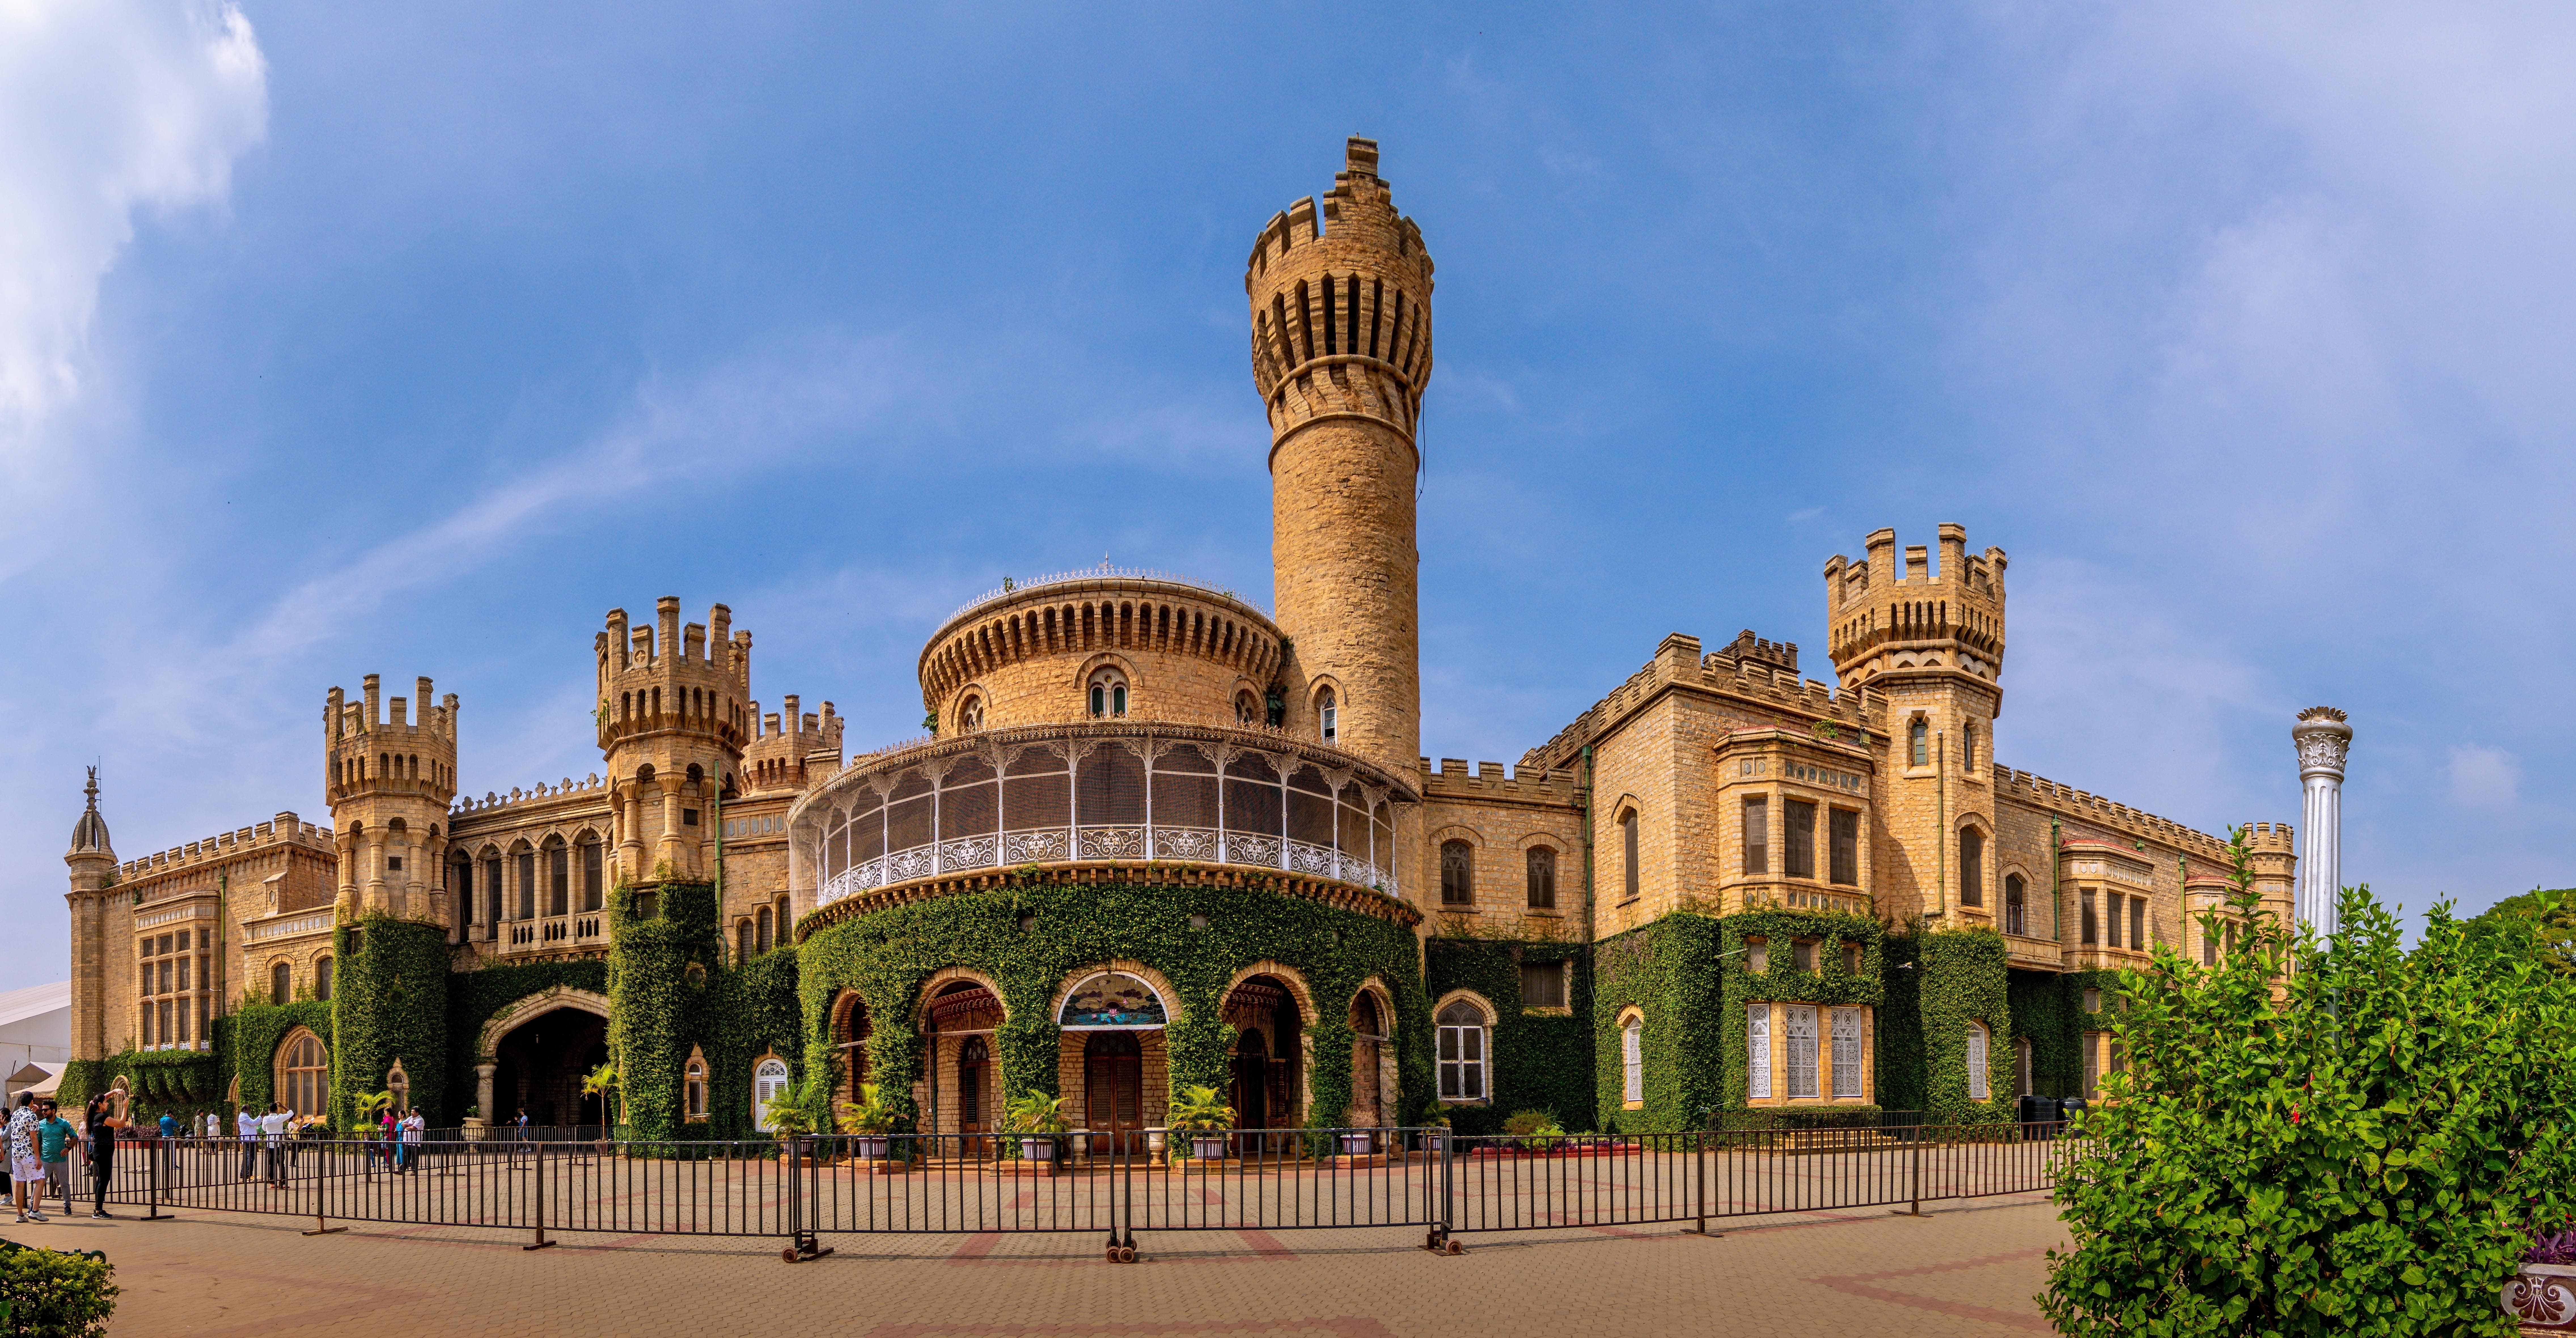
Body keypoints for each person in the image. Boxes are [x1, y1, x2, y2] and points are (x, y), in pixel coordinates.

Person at [9, 1092, 46, 1223]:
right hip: (28, 1153)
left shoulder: (15, 1115)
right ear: (32, 1102)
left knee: (19, 1184)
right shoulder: (32, 1116)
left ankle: (20, 1215)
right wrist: (38, 1157)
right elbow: (34, 1137)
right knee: (40, 1180)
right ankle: (35, 1211)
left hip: (16, 1153)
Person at [82, 1093, 118, 1218]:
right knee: (104, 1180)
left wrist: (114, 1092)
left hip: (100, 1151)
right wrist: (125, 1108)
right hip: (104, 1151)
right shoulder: (102, 1117)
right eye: (106, 1102)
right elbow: (121, 1124)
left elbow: (100, 1099)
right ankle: (98, 1210)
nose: (107, 1104)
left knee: (101, 1180)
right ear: (100, 1105)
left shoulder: (93, 1115)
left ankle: (98, 1209)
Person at [37, 1101, 77, 1217]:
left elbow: (74, 1137)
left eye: (46, 1110)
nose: (43, 1112)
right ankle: (33, 1206)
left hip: (61, 1160)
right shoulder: (41, 1124)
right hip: (46, 1159)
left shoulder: (64, 1123)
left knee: (64, 1184)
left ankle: (67, 1206)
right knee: (40, 1183)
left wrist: (68, 1148)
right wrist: (37, 1158)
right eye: (42, 1110)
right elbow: (38, 1141)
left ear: (53, 1111)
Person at [261, 1102, 292, 1186]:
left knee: (271, 1164)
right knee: (281, 1164)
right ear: (277, 1110)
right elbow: (291, 1113)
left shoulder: (266, 1119)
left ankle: (272, 1183)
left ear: (269, 1111)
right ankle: (283, 1183)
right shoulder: (280, 1117)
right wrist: (282, 1106)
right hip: (279, 1144)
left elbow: (264, 1129)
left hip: (270, 1144)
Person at [236, 1103, 259, 1180]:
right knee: (251, 1157)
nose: (250, 1111)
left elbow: (253, 1124)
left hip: (248, 1139)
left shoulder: (245, 1116)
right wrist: (260, 1116)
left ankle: (243, 1173)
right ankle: (249, 1174)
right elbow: (253, 1123)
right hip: (249, 1139)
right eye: (249, 1109)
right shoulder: (244, 1116)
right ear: (245, 1110)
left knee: (246, 1157)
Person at [400, 1107, 424, 1173]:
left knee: (414, 1157)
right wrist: (410, 1125)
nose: (412, 1113)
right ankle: (402, 1170)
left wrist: (407, 1127)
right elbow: (403, 1124)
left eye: (413, 1112)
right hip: (407, 1141)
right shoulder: (411, 1118)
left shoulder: (420, 1120)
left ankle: (414, 1171)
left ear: (417, 1113)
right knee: (406, 1156)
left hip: (415, 1141)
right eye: (412, 1112)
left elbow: (414, 1128)